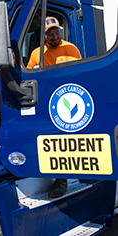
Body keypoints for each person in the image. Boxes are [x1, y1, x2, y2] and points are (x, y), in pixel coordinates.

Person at [27, 17, 82, 198]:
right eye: (50, 34)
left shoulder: (71, 49)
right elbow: (28, 76)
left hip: (66, 99)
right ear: (44, 36)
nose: (54, 36)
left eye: (56, 32)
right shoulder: (36, 53)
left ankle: (62, 179)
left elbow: (79, 73)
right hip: (45, 101)